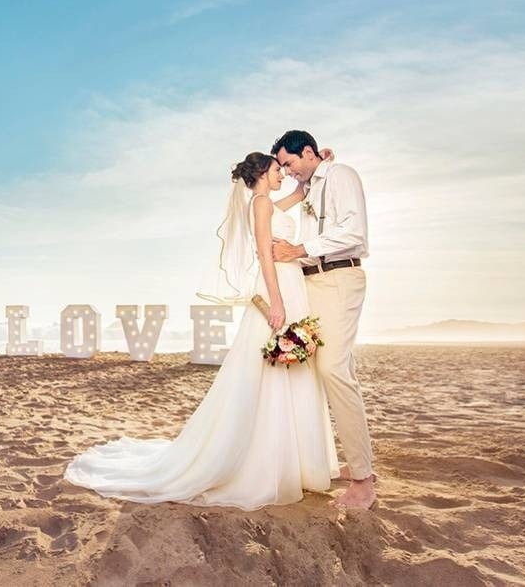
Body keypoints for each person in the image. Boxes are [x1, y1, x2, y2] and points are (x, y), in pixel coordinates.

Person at [64, 152, 340, 510]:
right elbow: (264, 255)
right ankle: (273, 462)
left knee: (292, 370)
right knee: (272, 372)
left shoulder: (269, 204)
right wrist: (276, 301)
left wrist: (320, 163)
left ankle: (296, 462)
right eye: (276, 170)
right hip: (279, 289)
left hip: (291, 287)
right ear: (260, 174)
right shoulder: (260, 205)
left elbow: (299, 195)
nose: (282, 176)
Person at [271, 130, 376, 510]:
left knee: (334, 371)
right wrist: (289, 258)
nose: (287, 171)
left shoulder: (341, 175)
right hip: (312, 281)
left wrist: (298, 249)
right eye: (281, 166)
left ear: (310, 152)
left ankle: (364, 483)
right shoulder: (311, 187)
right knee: (322, 371)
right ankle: (358, 463)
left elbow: (353, 232)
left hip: (340, 278)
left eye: (290, 162)